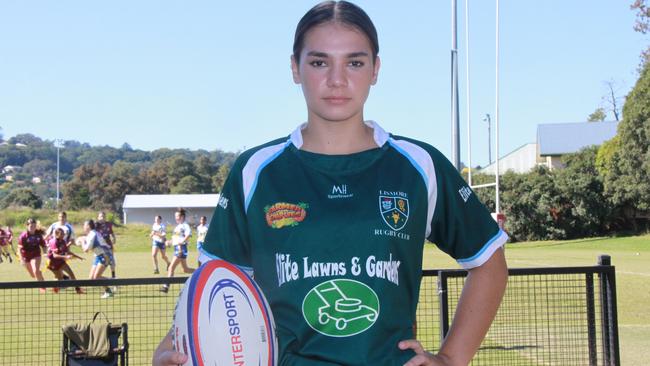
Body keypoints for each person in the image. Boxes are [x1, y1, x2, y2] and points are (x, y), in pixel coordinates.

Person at [153, 2, 508, 365]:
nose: (337, 80)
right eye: (319, 62)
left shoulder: (418, 165)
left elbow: (489, 263)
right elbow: (214, 283)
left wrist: (451, 358)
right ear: (295, 68)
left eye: (355, 62)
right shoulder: (256, 170)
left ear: (375, 69)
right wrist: (169, 348)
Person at [159, 208, 194, 293]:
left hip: (181, 249)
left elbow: (188, 234)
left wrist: (183, 241)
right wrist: (169, 242)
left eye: (177, 216)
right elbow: (175, 239)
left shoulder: (185, 225)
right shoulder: (177, 227)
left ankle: (166, 286)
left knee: (171, 267)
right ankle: (201, 272)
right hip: (177, 248)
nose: (176, 218)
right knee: (185, 269)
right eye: (175, 216)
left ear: (182, 216)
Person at [80, 220, 114, 299]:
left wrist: (82, 241)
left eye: (84, 225)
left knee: (96, 277)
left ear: (88, 226)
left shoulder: (93, 234)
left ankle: (110, 289)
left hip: (105, 255)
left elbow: (86, 250)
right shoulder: (92, 234)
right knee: (92, 278)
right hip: (98, 256)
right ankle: (112, 282)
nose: (83, 227)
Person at [46, 227, 85, 294]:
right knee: (60, 279)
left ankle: (78, 289)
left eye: (63, 233)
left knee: (71, 274)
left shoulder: (63, 241)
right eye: (62, 234)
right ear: (57, 234)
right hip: (52, 263)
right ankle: (55, 287)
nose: (63, 235)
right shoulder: (54, 242)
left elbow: (67, 251)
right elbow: (55, 255)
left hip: (61, 262)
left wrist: (78, 257)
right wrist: (65, 256)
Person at [17, 218, 47, 293]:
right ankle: (40, 277)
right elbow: (19, 249)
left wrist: (45, 253)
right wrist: (22, 260)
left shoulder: (38, 235)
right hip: (25, 256)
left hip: (36, 255)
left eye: (34, 226)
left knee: (35, 271)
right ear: (27, 226)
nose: (32, 228)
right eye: (31, 226)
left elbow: (43, 245)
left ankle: (42, 287)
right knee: (33, 275)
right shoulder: (23, 236)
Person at [96, 211, 118, 280]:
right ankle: (98, 276)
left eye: (103, 216)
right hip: (100, 247)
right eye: (101, 216)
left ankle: (113, 276)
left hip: (108, 245)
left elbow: (111, 232)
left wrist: (114, 238)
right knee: (100, 261)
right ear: (98, 217)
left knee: (112, 262)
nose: (102, 218)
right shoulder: (96, 225)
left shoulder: (108, 224)